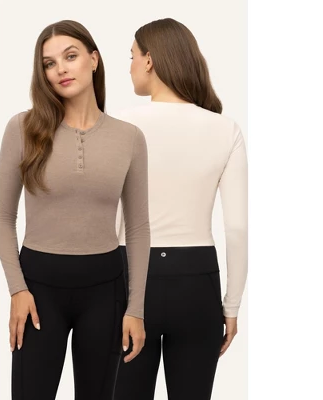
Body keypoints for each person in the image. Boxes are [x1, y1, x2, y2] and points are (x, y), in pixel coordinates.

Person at [0, 20, 150, 400]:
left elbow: (138, 229)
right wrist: (17, 290)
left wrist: (136, 308)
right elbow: (3, 218)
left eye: (70, 56)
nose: (60, 70)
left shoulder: (129, 138)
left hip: (105, 290)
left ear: (93, 59)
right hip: (38, 291)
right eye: (49, 64)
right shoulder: (23, 128)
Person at [112, 18, 248, 400]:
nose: (130, 66)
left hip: (129, 279)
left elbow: (106, 219)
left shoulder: (119, 126)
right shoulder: (226, 129)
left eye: (132, 56)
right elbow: (237, 228)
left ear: (149, 60)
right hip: (197, 285)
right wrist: (232, 305)